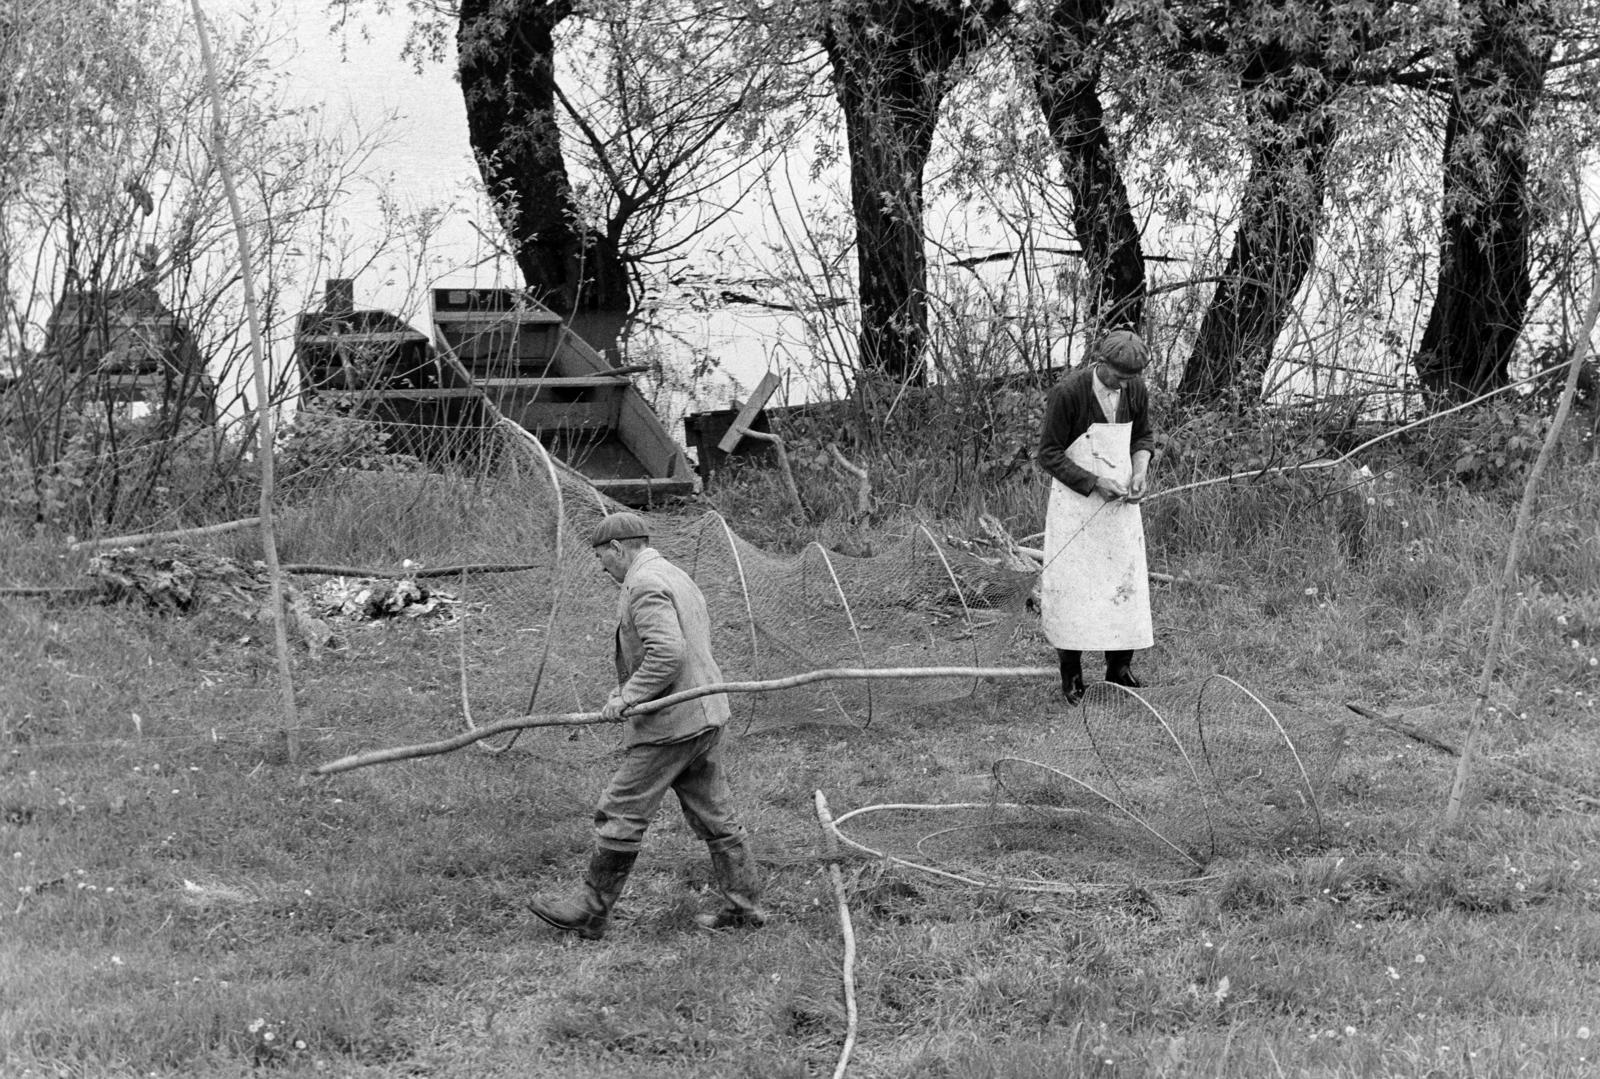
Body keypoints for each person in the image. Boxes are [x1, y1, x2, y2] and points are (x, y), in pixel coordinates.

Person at [528, 511, 766, 940]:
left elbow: (668, 652)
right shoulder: (674, 573)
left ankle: (591, 911)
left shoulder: (642, 584)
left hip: (673, 723)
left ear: (618, 549)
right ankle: (745, 907)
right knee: (716, 815)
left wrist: (628, 696)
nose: (604, 569)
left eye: (603, 559)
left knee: (621, 809)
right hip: (707, 713)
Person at [1036, 329, 1157, 704]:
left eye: (1130, 377)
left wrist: (1139, 471)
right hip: (1076, 504)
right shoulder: (1068, 394)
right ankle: (1071, 675)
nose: (1124, 383)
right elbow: (1049, 454)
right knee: (1076, 590)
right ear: (1100, 362)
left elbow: (1143, 438)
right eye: (1119, 376)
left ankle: (1118, 669)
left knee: (1124, 586)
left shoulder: (1135, 390)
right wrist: (1093, 481)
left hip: (1120, 506)